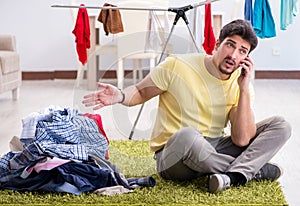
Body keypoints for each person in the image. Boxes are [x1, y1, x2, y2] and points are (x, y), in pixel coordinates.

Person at [82, 19, 291, 193]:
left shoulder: (241, 83)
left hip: (213, 148)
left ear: (247, 58)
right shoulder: (177, 65)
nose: (233, 55)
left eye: (242, 51)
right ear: (217, 44)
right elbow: (141, 91)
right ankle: (253, 170)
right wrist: (119, 95)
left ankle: (233, 176)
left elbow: (242, 138)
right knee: (189, 135)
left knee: (281, 125)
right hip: (174, 156)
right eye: (230, 45)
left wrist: (244, 89)